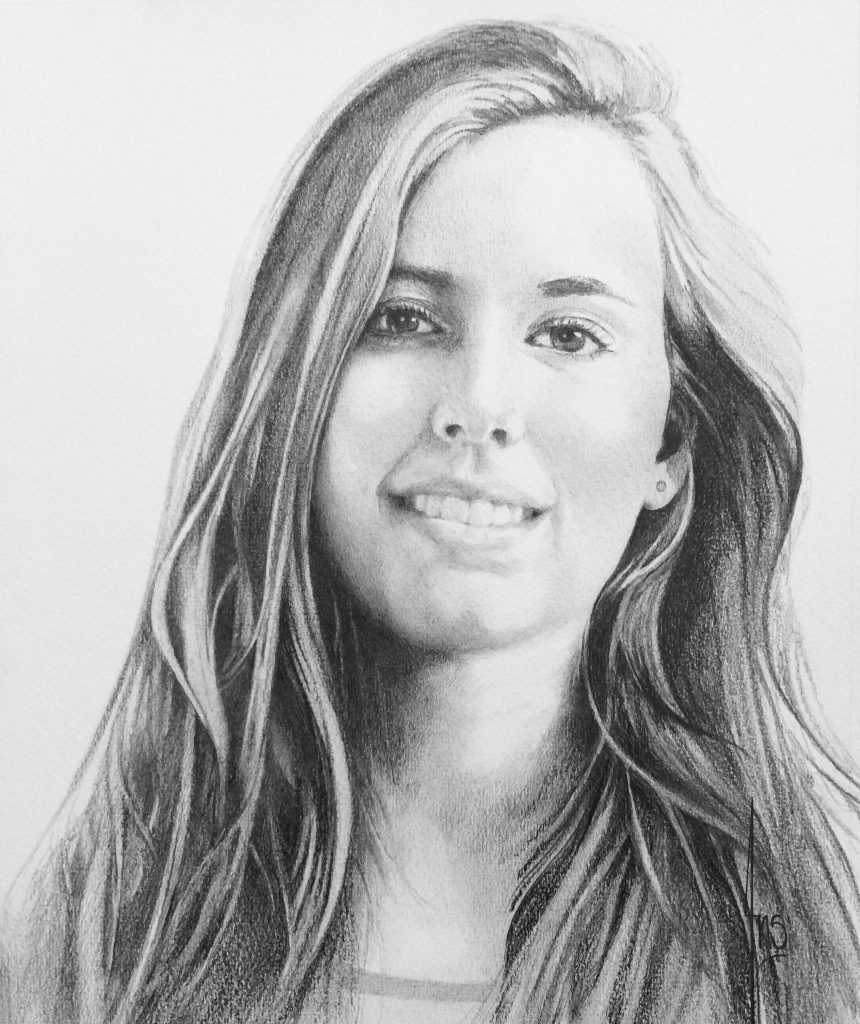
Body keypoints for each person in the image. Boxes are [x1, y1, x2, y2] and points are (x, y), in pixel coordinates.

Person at [2, 18, 859, 1024]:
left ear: (672, 443)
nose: (479, 404)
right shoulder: (97, 931)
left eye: (568, 333)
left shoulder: (783, 952)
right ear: (293, 391)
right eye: (402, 319)